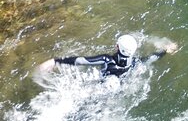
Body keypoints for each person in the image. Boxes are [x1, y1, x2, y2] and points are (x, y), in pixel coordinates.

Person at [38, 35, 178, 78]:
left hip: (103, 87)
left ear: (117, 47)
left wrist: (55, 61)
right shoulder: (136, 62)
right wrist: (166, 50)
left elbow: (81, 61)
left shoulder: (107, 60)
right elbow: (153, 57)